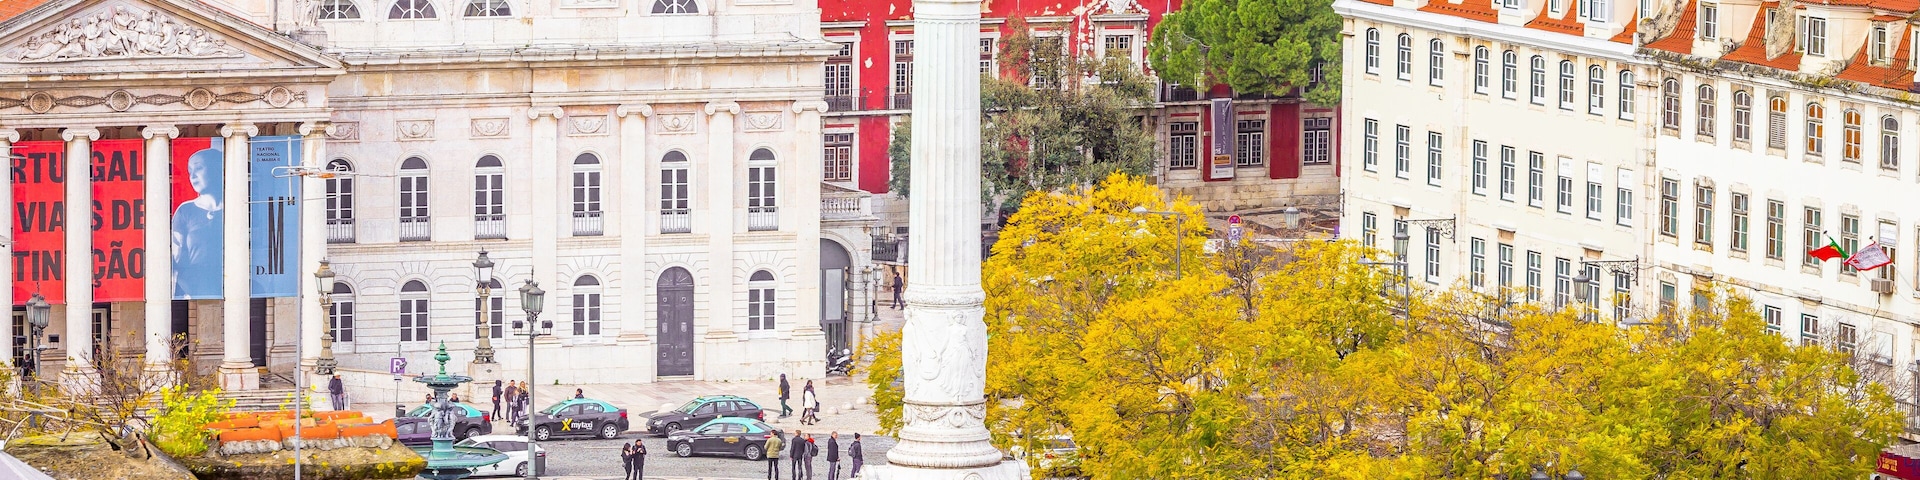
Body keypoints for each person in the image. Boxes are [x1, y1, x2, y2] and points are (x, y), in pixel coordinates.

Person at [171, 143, 223, 299]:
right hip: (194, 290)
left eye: (198, 168)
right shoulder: (185, 211)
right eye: (189, 171)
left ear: (216, 168)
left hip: (230, 283)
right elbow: (176, 258)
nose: (192, 176)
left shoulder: (237, 206)